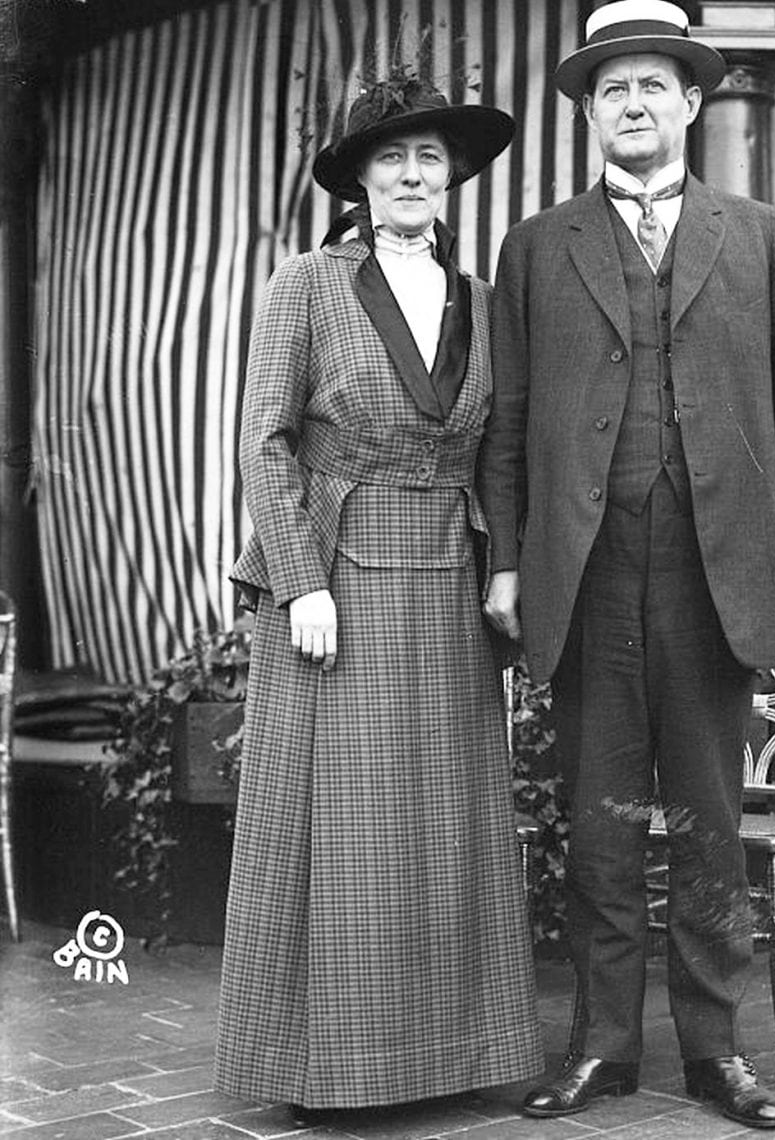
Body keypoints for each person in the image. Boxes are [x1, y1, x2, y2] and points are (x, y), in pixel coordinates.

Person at [479, 0, 775, 1131]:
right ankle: (599, 1050)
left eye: (651, 85)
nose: (631, 105)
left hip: (715, 564)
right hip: (582, 570)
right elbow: (511, 420)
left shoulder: (759, 232)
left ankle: (713, 1054)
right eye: (609, 90)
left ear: (692, 101)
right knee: (597, 818)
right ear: (589, 113)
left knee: (702, 813)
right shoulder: (538, 245)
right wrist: (504, 562)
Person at [214, 72, 544, 1124]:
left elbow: (498, 450)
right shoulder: (304, 285)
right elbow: (264, 444)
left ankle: (451, 1055)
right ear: (359, 174)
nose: (412, 174)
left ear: (453, 178)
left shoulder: (482, 301)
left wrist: (505, 572)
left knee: (442, 822)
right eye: (393, 156)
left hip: (448, 574)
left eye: (431, 158)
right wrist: (301, 581)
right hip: (338, 577)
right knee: (345, 824)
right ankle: (330, 1067)